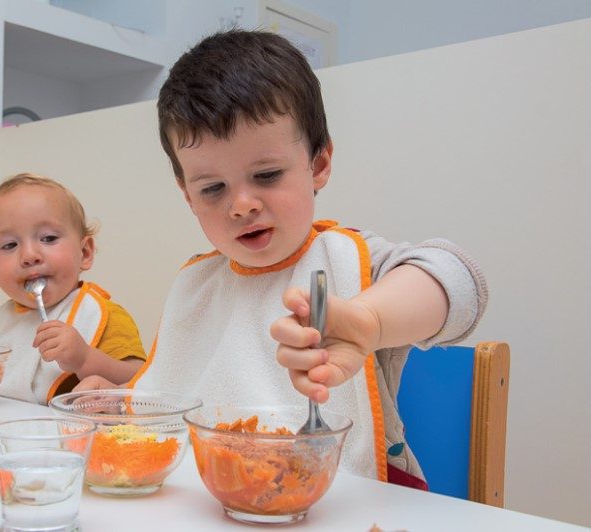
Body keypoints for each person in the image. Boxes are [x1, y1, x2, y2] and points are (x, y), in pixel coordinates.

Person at [77, 30, 487, 489]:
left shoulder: (350, 263)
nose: (242, 205)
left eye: (267, 175)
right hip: (214, 500)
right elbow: (175, 396)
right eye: (213, 188)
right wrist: (119, 401)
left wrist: (369, 320)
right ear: (187, 196)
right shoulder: (197, 285)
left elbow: (459, 282)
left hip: (352, 501)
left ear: (319, 164)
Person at [0, 173, 146, 405]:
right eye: (10, 245)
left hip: (75, 437)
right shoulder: (2, 321)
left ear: (84, 253)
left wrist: (85, 359)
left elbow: (142, 381)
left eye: (49, 238)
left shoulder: (102, 314)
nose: (30, 255)